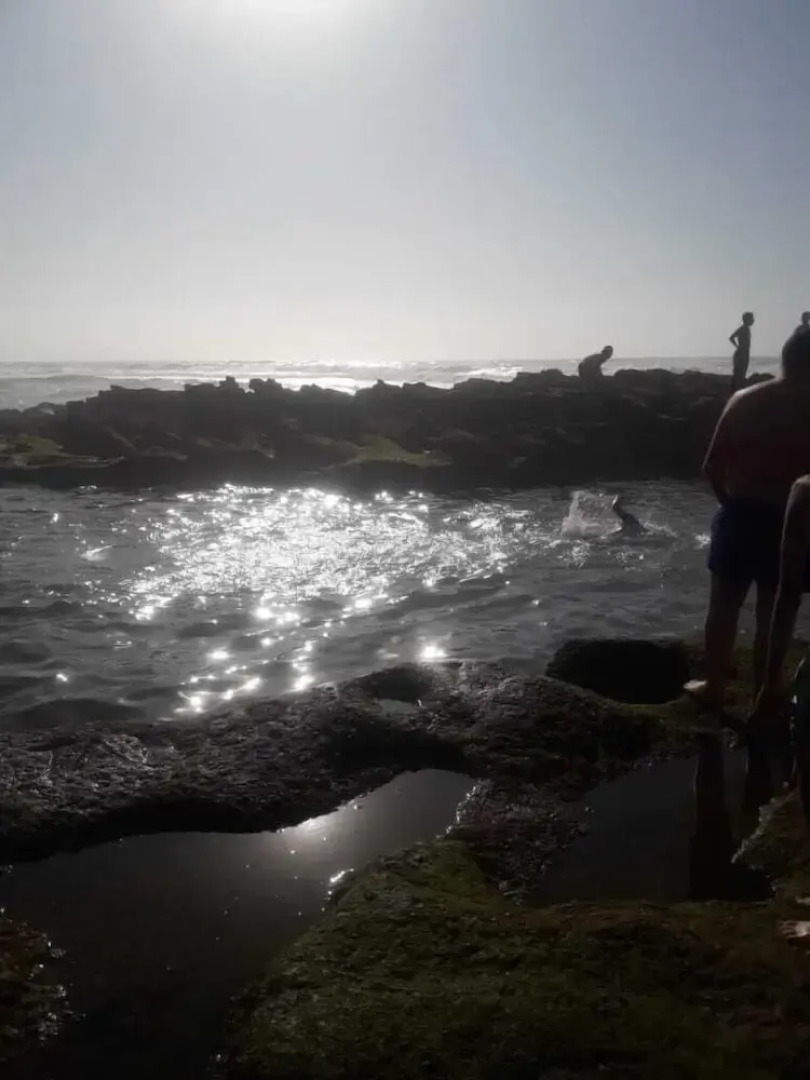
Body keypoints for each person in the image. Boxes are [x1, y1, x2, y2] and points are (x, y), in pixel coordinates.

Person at [686, 328, 810, 709]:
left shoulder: (743, 400)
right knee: (774, 610)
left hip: (741, 513)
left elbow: (711, 466)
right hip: (794, 518)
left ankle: (715, 687)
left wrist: (731, 504)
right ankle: (764, 691)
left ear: (784, 358)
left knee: (723, 606)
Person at [729, 312, 754, 392]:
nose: (753, 320)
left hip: (744, 353)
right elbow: (731, 337)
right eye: (751, 319)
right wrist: (738, 347)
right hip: (741, 354)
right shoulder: (744, 328)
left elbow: (732, 338)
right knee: (739, 375)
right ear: (746, 320)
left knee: (741, 375)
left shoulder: (746, 328)